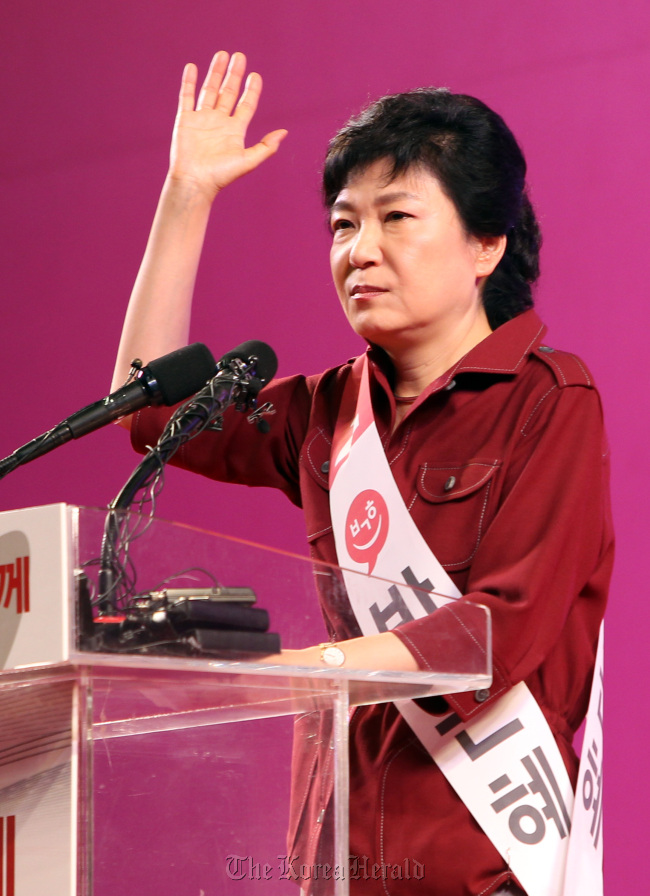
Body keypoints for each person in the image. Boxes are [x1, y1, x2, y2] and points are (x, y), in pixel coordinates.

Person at [113, 51, 613, 896]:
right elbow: (149, 411)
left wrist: (306, 670)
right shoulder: (324, 412)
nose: (359, 251)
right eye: (344, 225)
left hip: (480, 868)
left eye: (395, 218)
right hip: (334, 863)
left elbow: (500, 631)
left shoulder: (552, 399)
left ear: (486, 243)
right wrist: (186, 196)